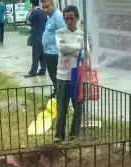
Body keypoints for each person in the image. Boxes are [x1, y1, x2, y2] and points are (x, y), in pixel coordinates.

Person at [54, 5, 84, 142]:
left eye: (72, 18)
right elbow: (61, 48)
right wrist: (78, 48)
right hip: (62, 74)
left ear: (77, 18)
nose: (69, 21)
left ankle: (74, 133)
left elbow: (85, 53)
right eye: (66, 18)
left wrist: (70, 50)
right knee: (62, 107)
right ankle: (59, 135)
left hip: (77, 74)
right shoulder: (59, 32)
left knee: (78, 106)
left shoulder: (82, 34)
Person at [41, 0, 66, 97]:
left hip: (55, 53)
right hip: (48, 52)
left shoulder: (58, 16)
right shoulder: (50, 16)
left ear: (53, 4)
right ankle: (57, 91)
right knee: (52, 74)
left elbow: (65, 32)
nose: (45, 10)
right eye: (43, 7)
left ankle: (60, 94)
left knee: (55, 74)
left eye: (47, 7)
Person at [25, 0, 47, 77]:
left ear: (32, 4)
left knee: (35, 54)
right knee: (43, 54)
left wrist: (30, 12)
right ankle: (43, 70)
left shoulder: (35, 12)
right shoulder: (44, 11)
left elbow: (28, 22)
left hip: (36, 36)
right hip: (44, 35)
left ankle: (33, 71)